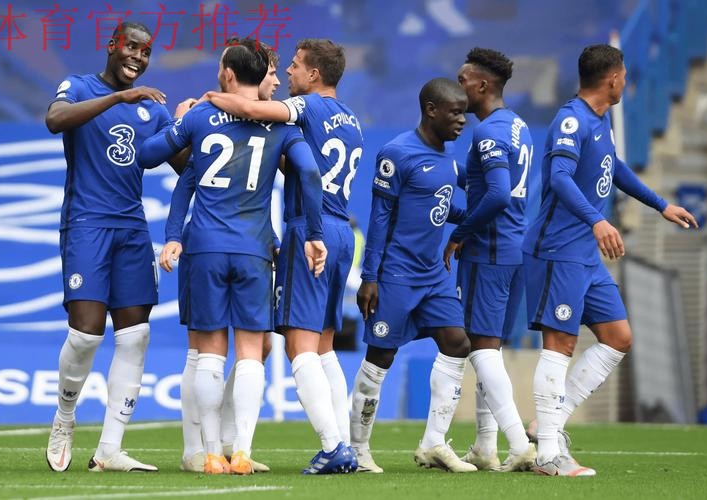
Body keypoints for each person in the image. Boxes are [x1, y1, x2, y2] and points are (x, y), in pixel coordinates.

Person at [139, 38, 327, 475]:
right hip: (253, 250)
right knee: (250, 352)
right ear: (259, 77)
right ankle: (240, 451)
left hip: (205, 247)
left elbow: (149, 156)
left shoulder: (201, 116)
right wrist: (315, 233)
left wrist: (178, 123)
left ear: (227, 74)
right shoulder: (282, 125)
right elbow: (309, 171)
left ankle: (209, 454)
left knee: (208, 354)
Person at [522, 44, 698, 477]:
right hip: (557, 250)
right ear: (613, 79)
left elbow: (613, 167)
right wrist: (597, 221)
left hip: (583, 255)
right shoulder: (571, 120)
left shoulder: (600, 121)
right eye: (624, 76)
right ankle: (548, 454)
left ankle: (548, 425)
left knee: (618, 337)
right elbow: (559, 178)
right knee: (560, 344)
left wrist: (661, 205)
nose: (626, 82)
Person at [206, 39, 362, 474]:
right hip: (342, 231)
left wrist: (212, 99)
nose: (288, 73)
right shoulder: (352, 119)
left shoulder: (306, 107)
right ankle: (346, 443)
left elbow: (251, 109)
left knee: (298, 346)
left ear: (314, 75)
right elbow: (295, 162)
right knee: (325, 346)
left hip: (310, 227)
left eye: (294, 66)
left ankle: (333, 446)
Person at [44, 21, 186, 473]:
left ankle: (109, 449)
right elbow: (54, 120)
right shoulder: (79, 86)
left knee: (135, 336)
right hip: (87, 224)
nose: (138, 58)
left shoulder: (152, 109)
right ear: (112, 46)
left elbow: (185, 165)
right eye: (131, 48)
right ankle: (65, 417)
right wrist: (118, 99)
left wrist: (190, 124)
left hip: (131, 230)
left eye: (145, 52)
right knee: (86, 333)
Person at [159, 43, 281, 474]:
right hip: (222, 243)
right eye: (272, 74)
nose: (277, 82)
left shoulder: (263, 121)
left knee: (246, 348)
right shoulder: (273, 122)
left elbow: (242, 186)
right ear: (250, 75)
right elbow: (191, 177)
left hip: (233, 243)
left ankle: (224, 447)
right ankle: (199, 449)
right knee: (206, 351)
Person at [351, 78, 475, 474]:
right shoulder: (397, 153)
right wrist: (371, 276)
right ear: (431, 110)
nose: (462, 120)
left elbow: (437, 204)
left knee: (457, 343)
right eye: (455, 112)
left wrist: (473, 221)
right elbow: (380, 218)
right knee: (381, 356)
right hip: (397, 274)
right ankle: (358, 450)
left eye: (465, 113)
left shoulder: (448, 158)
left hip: (433, 275)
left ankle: (433, 443)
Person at [442, 48, 537, 472]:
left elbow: (497, 194)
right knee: (489, 346)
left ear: (481, 85)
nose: (456, 87)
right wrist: (443, 170)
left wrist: (460, 234)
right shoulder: (517, 125)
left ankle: (518, 444)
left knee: (481, 348)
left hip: (489, 250)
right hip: (513, 248)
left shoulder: (488, 133)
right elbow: (487, 181)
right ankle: (484, 446)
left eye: (462, 80)